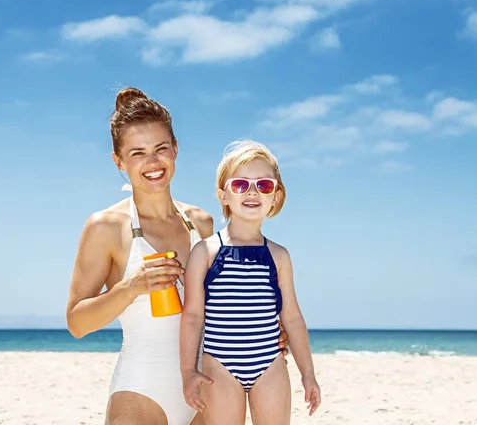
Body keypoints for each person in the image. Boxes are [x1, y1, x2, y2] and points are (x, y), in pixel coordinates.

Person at [66, 88, 288, 425]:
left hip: (208, 389)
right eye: (138, 153)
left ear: (176, 149)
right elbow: (77, 323)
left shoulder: (201, 223)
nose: (153, 163)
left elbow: (223, 306)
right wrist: (132, 287)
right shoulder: (106, 227)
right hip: (141, 392)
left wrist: (264, 331)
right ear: (119, 161)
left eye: (160, 149)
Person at [180, 140, 321, 425]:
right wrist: (187, 371)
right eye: (241, 185)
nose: (253, 191)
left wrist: (308, 374)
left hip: (270, 364)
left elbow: (292, 317)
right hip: (219, 365)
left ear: (275, 197)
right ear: (224, 195)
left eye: (264, 185)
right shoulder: (206, 252)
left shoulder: (278, 255)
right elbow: (193, 315)